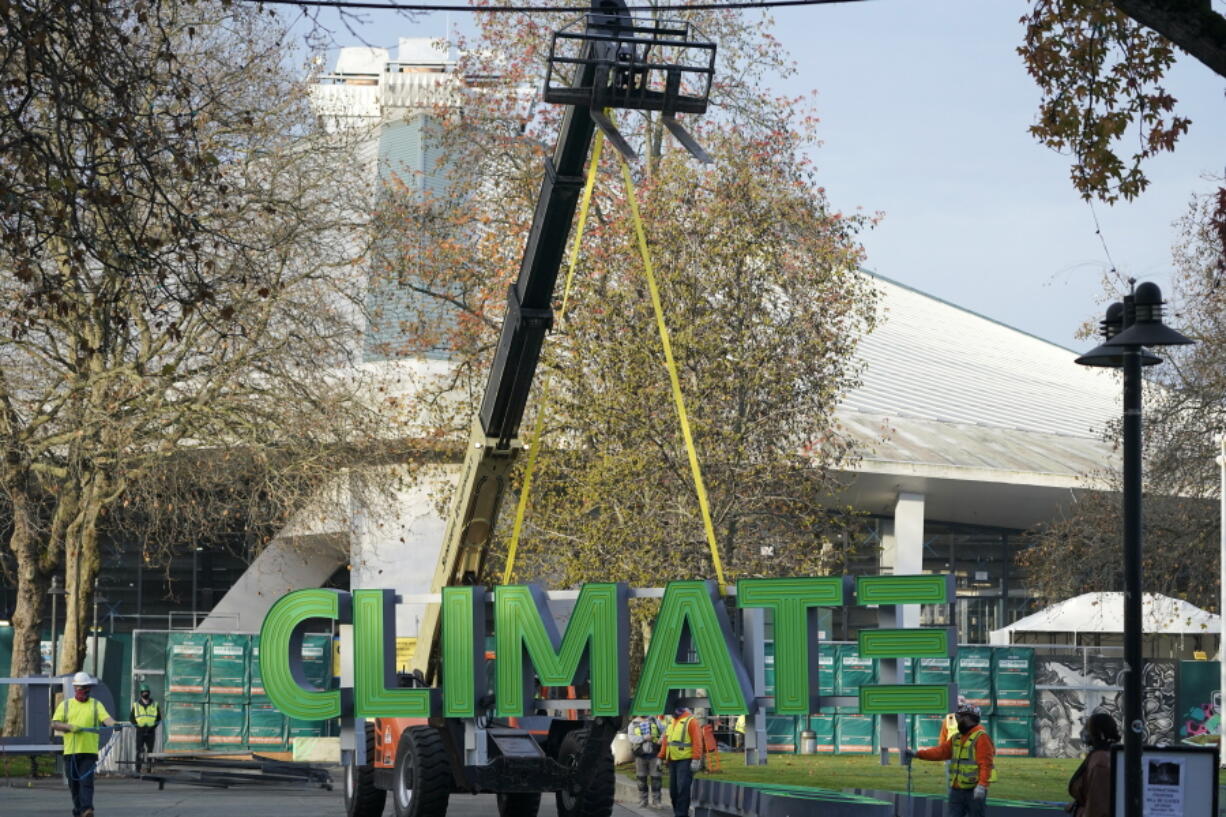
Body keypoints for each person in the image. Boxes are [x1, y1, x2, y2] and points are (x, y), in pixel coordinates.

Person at [52, 671, 128, 817]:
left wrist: (115, 725)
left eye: (86, 687)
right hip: (71, 752)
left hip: (89, 752)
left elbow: (107, 719)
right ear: (75, 689)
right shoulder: (66, 705)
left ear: (89, 688)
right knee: (74, 785)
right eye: (81, 688)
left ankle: (87, 809)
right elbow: (55, 723)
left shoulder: (95, 705)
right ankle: (79, 809)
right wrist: (69, 727)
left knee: (86, 782)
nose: (84, 690)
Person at [906, 700, 995, 817]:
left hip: (974, 790)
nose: (957, 720)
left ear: (969, 719)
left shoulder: (981, 738)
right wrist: (918, 754)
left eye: (960, 717)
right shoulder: (957, 737)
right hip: (956, 790)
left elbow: (986, 764)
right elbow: (941, 752)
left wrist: (982, 785)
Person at [1067, 712, 1120, 817]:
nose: (1083, 732)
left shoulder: (1100, 761)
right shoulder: (1108, 754)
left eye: (1087, 728)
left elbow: (1099, 806)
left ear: (1099, 732)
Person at [658, 705, 705, 817]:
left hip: (685, 760)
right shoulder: (671, 721)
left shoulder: (691, 721)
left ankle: (681, 814)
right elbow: (666, 741)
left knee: (682, 790)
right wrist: (661, 757)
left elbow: (697, 741)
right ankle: (678, 813)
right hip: (672, 761)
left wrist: (696, 759)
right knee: (673, 792)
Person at [628, 715, 664, 807]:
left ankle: (657, 801)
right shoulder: (633, 723)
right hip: (640, 756)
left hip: (655, 755)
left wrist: (661, 739)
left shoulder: (655, 721)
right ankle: (643, 801)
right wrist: (644, 738)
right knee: (641, 779)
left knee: (656, 779)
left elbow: (665, 732)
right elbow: (631, 738)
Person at [130, 682, 162, 774]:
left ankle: (149, 769)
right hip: (140, 731)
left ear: (149, 693)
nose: (145, 694)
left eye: (147, 692)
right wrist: (138, 727)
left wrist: (153, 727)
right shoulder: (136, 705)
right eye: (143, 692)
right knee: (139, 751)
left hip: (151, 732)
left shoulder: (155, 704)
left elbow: (159, 718)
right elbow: (131, 718)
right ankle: (138, 769)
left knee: (150, 751)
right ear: (141, 693)